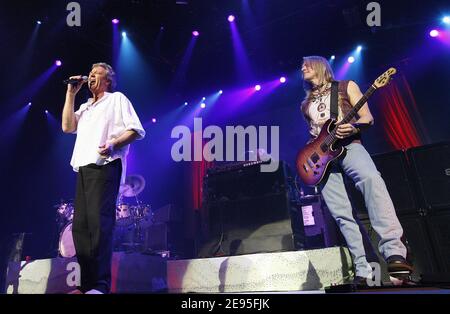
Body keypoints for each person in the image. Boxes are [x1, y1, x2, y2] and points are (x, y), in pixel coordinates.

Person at [299, 56, 413, 285]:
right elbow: (314, 136)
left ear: (321, 66)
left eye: (307, 64)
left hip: (350, 146)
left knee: (372, 181)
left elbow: (367, 118)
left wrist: (352, 127)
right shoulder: (305, 104)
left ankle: (394, 252)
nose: (303, 68)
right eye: (302, 66)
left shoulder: (345, 86)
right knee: (341, 213)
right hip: (322, 161)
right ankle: (363, 268)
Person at [62, 62, 145, 293]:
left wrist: (113, 144)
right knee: (80, 228)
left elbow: (135, 130)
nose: (90, 77)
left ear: (107, 80)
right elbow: (67, 127)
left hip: (106, 165)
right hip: (83, 168)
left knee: (100, 225)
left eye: (96, 74)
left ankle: (99, 284)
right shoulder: (86, 107)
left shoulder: (116, 99)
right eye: (89, 74)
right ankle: (86, 284)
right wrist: (71, 93)